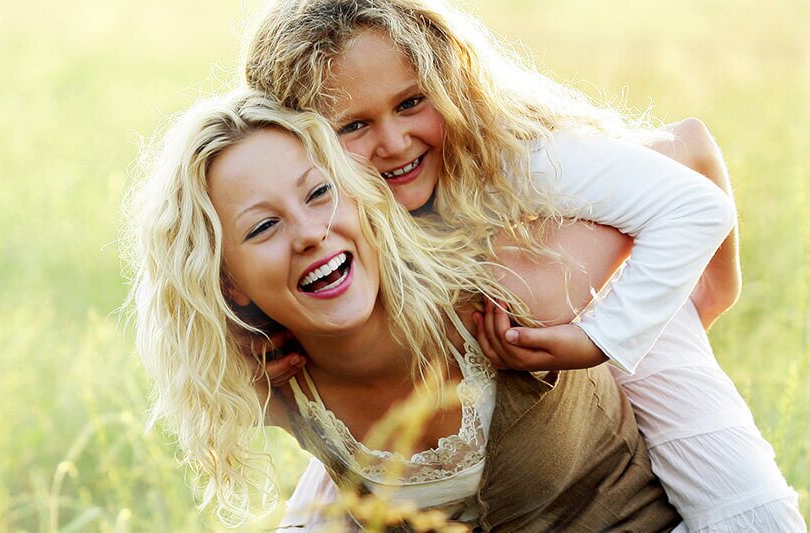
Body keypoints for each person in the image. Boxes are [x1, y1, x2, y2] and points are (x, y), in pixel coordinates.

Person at [242, 0, 803, 529]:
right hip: (458, 371)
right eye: (352, 126)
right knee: (337, 486)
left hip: (611, 306)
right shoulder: (332, 213)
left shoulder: (515, 160)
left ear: (449, 84)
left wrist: (623, 330)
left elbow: (692, 181)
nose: (393, 141)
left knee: (740, 502)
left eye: (411, 103)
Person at [125, 89, 680, 530]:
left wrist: (646, 325)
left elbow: (686, 153)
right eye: (264, 226)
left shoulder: (504, 289)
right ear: (230, 284)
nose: (310, 233)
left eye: (319, 193)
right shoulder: (270, 382)